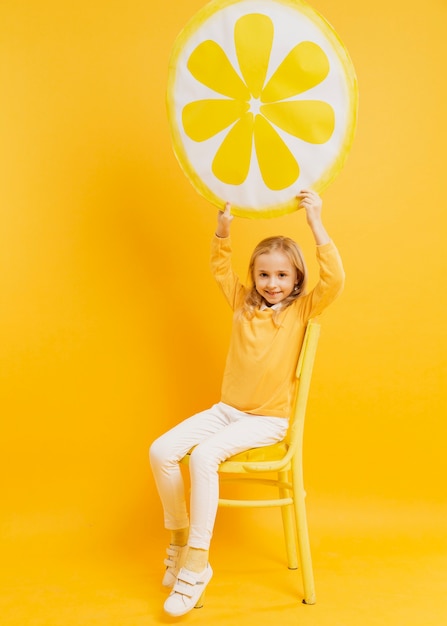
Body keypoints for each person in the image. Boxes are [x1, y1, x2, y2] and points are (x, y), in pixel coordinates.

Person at [149, 189, 344, 617]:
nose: (272, 284)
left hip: (269, 420)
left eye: (282, 276)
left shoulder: (301, 310)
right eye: (264, 275)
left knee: (203, 458)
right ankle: (180, 543)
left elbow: (335, 281)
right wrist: (223, 230)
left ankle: (197, 564)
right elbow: (220, 268)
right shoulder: (243, 304)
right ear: (254, 277)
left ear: (296, 280)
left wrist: (315, 223)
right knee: (161, 451)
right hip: (227, 412)